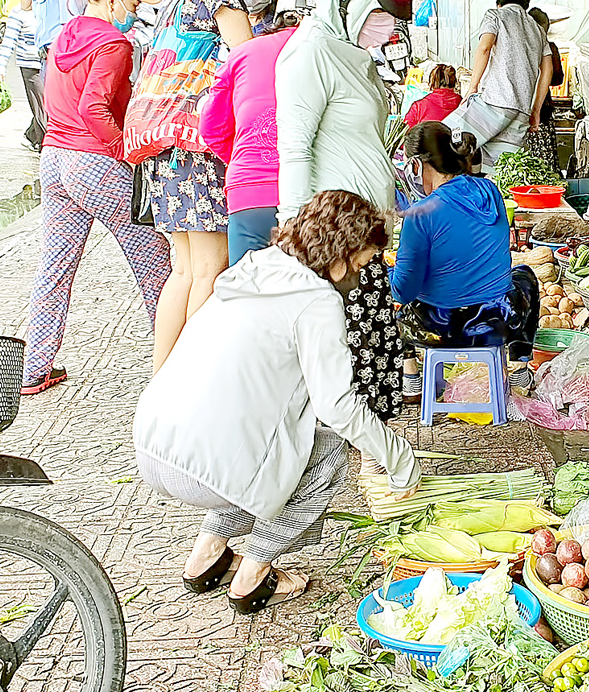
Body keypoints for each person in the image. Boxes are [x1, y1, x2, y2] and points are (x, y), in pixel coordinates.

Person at [135, 189, 419, 612]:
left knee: (269, 450)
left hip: (153, 443)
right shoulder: (317, 300)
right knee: (327, 455)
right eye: (360, 264)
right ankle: (253, 575)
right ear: (340, 254)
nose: (360, 277)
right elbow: (337, 407)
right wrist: (400, 461)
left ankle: (207, 555)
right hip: (201, 467)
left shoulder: (260, 267)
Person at [276, 0, 416, 420]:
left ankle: (370, 480)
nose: (386, 29)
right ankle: (337, 481)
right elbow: (293, 150)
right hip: (330, 254)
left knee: (374, 379)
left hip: (364, 245)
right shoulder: (309, 52)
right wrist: (294, 254)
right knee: (339, 386)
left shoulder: (353, 55)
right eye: (379, 15)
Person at [128, 0, 281, 373]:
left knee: (184, 270)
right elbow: (252, 64)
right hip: (198, 146)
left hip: (161, 147)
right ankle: (194, 382)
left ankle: (163, 379)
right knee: (212, 269)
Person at [20, 0, 171, 396]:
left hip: (54, 159)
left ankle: (35, 367)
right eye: (130, 0)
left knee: (54, 267)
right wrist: (127, 151)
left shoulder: (65, 34)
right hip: (95, 161)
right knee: (153, 262)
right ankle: (177, 358)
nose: (134, 8)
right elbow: (95, 109)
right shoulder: (114, 44)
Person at [392, 123, 539, 394]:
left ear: (415, 166)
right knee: (525, 277)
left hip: (443, 330)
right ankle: (519, 369)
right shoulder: (491, 192)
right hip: (501, 322)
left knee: (385, 297)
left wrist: (389, 274)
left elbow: (403, 290)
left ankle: (411, 378)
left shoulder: (420, 215)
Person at [199, 14, 299, 266]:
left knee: (246, 291)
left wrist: (243, 156)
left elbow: (212, 129)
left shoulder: (242, 54)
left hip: (249, 190)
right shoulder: (331, 51)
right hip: (313, 194)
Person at [445, 0, 553, 168]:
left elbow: (485, 47)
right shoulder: (537, 29)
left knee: (444, 138)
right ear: (525, 6)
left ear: (499, 3)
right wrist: (535, 110)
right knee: (499, 169)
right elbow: (548, 69)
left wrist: (472, 87)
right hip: (521, 111)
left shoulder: (495, 15)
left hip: (493, 102)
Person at [0, 2, 45, 149]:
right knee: (42, 108)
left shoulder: (51, 5)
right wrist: (0, 66)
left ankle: (30, 136)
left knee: (50, 106)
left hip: (53, 64)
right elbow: (9, 40)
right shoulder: (19, 12)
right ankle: (44, 146)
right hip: (31, 67)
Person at [525, 7, 565, 168]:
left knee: (526, 165)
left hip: (525, 111)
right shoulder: (549, 47)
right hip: (542, 112)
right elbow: (557, 79)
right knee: (545, 164)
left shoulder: (522, 49)